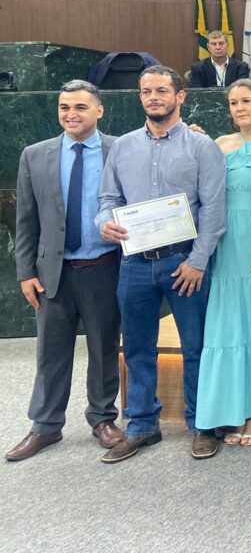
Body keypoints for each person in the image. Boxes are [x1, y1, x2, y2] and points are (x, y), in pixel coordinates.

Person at [96, 65, 227, 462]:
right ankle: (141, 426)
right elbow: (107, 199)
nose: (153, 97)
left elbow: (214, 211)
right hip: (134, 263)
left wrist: (198, 260)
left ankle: (201, 422)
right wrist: (104, 223)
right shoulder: (122, 147)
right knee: (136, 348)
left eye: (161, 91)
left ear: (180, 96)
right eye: (146, 91)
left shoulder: (202, 147)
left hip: (184, 263)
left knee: (196, 347)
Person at [6, 80, 123, 462]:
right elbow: (25, 221)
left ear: (99, 110)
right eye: (64, 107)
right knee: (51, 352)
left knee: (104, 348)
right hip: (52, 271)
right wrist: (25, 272)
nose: (71, 114)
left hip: (104, 268)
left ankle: (103, 418)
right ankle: (45, 425)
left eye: (80, 107)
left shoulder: (118, 150)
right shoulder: (34, 155)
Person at [195, 80, 251, 447]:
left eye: (246, 100)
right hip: (227, 253)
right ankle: (230, 411)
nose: (239, 108)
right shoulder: (218, 145)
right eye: (233, 102)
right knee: (229, 331)